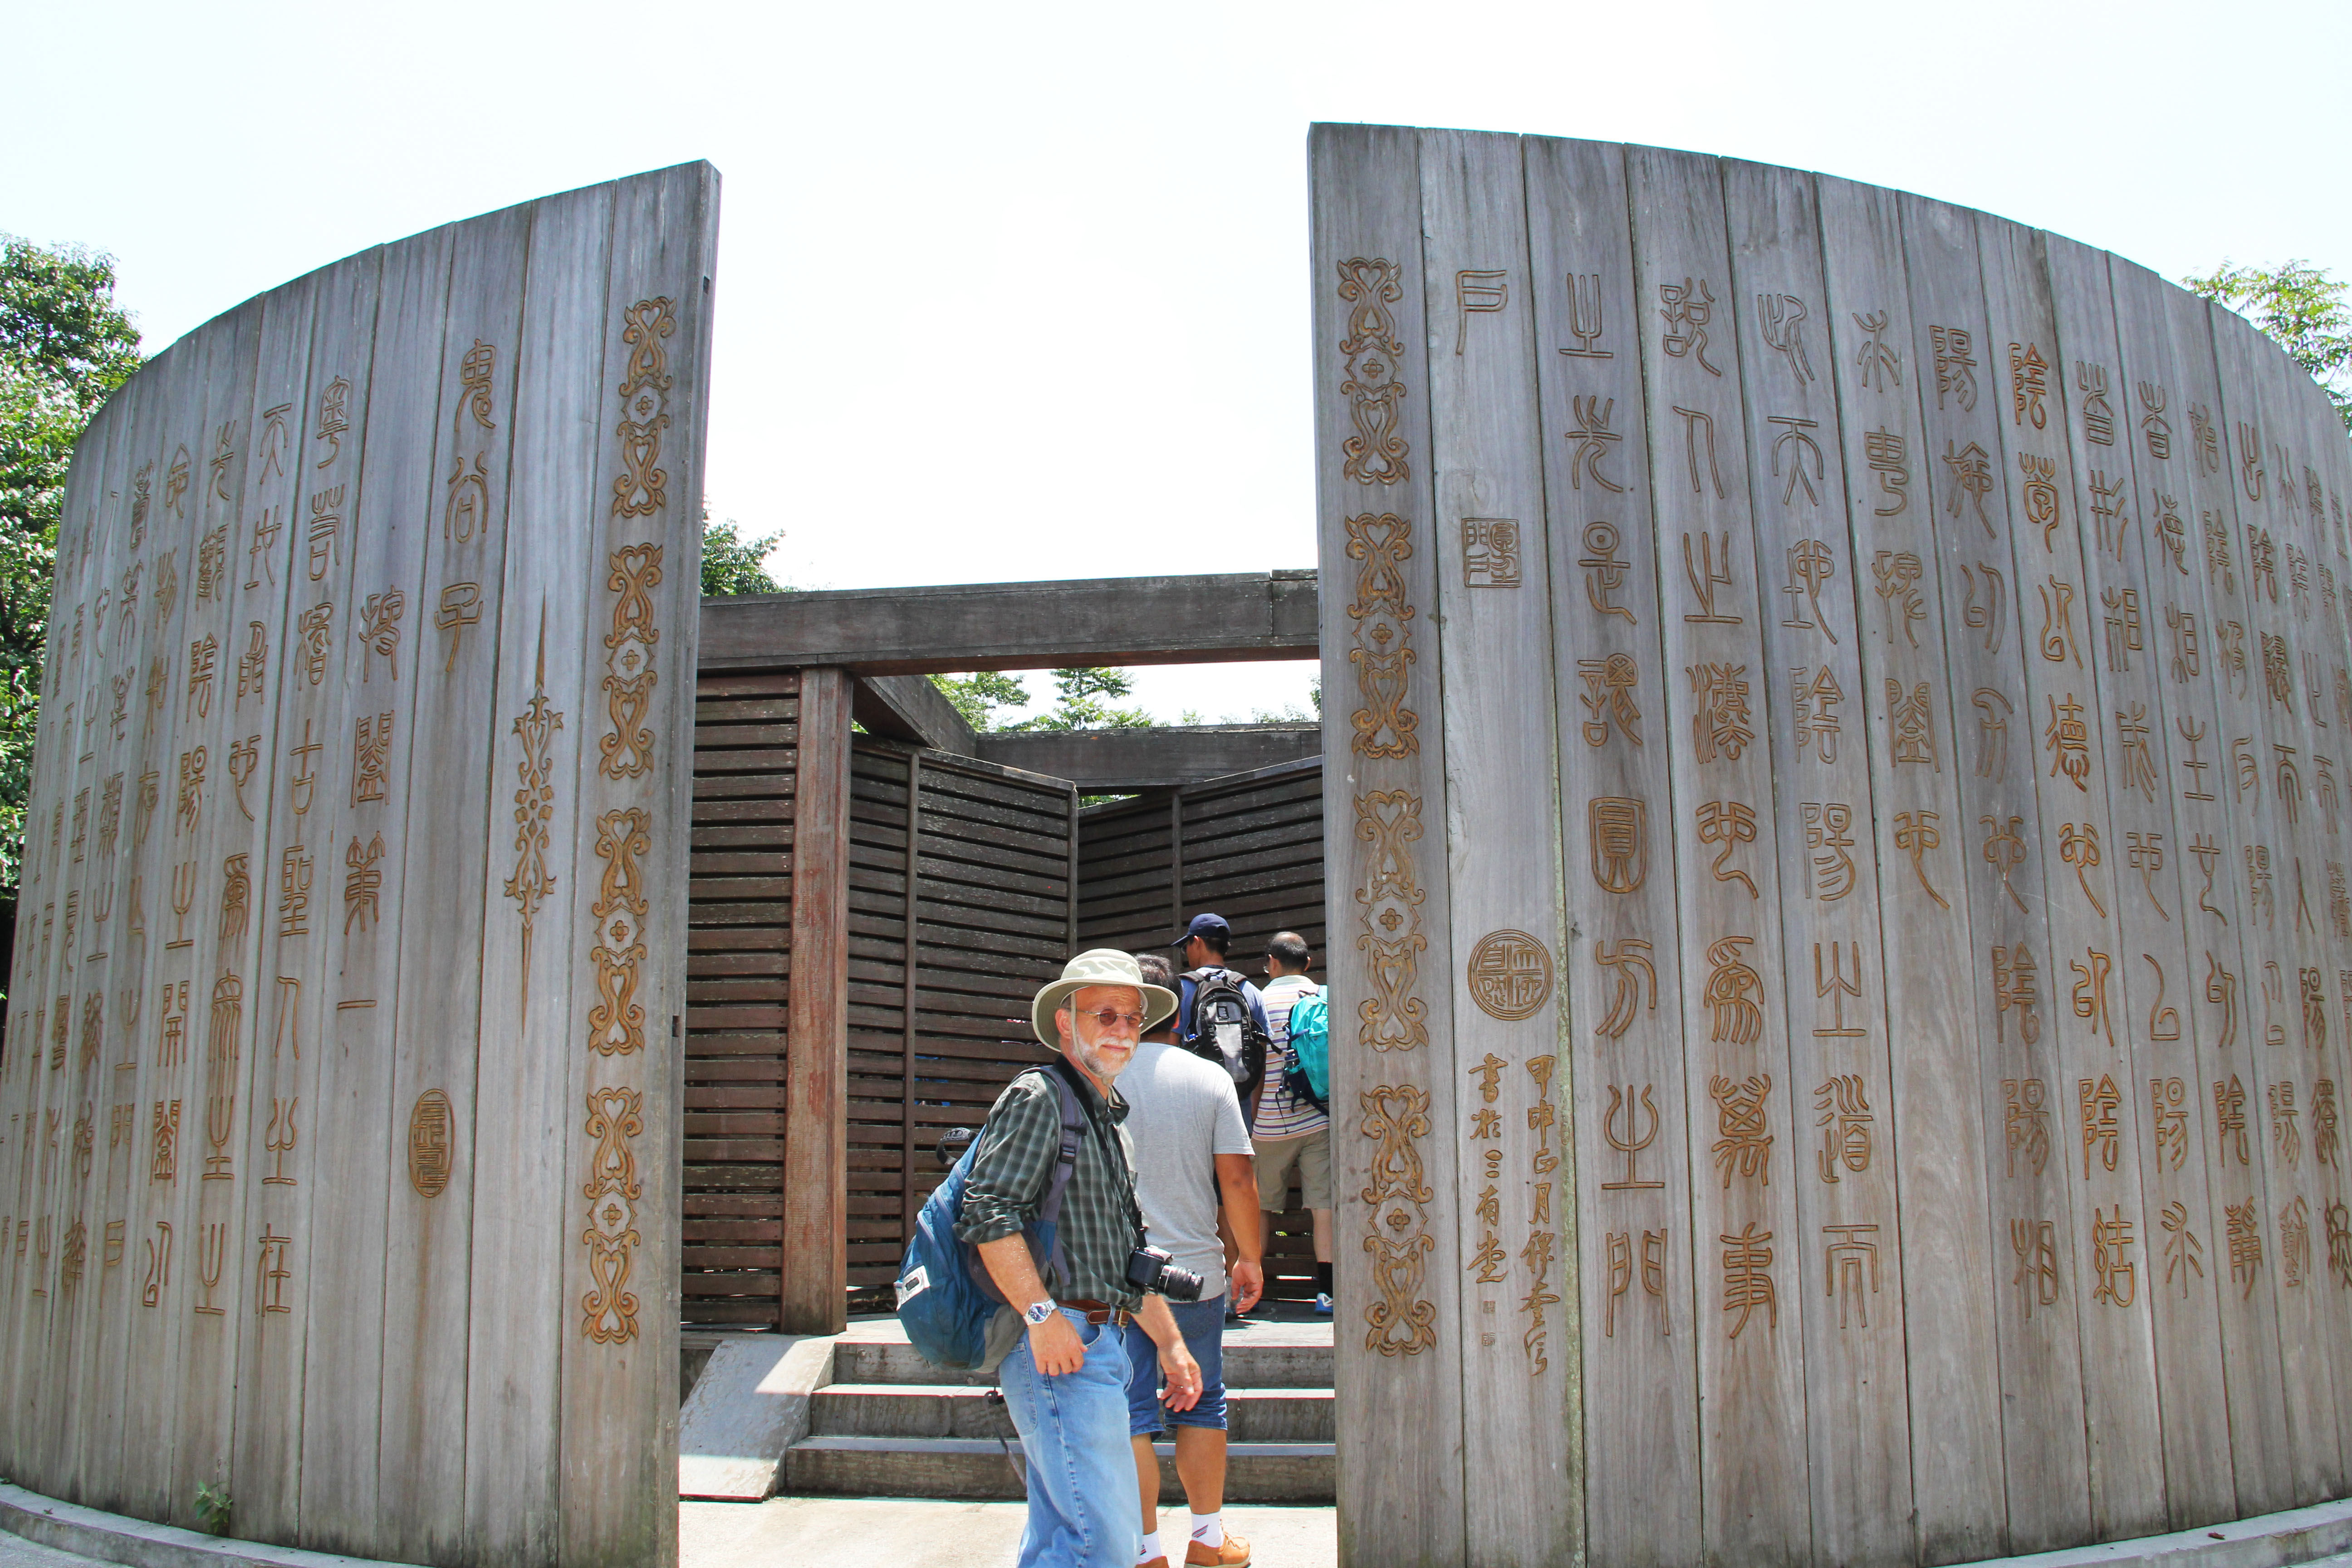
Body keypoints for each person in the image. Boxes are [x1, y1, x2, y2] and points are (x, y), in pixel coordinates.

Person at [957, 950, 1206, 1568]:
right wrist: (1041, 1316)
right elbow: (989, 1212)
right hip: (1058, 1346)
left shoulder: (1106, 1115)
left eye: (1132, 1018)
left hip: (1100, 1344)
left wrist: (1171, 1346)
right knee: (1100, 1545)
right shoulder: (1040, 1097)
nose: (1123, 1030)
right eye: (1105, 1016)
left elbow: (1121, 1258)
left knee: (1062, 1540)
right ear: (1066, 1022)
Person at [1118, 953, 1259, 1568]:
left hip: (1114, 1277)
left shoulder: (1097, 1077)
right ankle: (1207, 1541)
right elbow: (1237, 1177)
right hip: (1196, 1272)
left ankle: (1144, 1550)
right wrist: (1249, 1256)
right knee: (1204, 1402)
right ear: (1177, 1008)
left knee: (1129, 1414)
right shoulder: (1210, 1079)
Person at [1253, 932, 1333, 1314]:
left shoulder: (1259, 1001)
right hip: (1320, 1117)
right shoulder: (1325, 997)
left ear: (1271, 962)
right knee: (1323, 1208)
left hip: (1269, 1122)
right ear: (1309, 963)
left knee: (1261, 1208)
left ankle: (1251, 1287)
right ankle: (1327, 1291)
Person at [1169, 913, 1272, 1098]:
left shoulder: (1181, 990)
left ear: (1198, 942)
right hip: (1240, 1106)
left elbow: (1169, 1049)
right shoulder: (1252, 991)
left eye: (1187, 947)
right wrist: (1252, 1115)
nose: (1187, 953)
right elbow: (1260, 1058)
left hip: (1195, 1103)